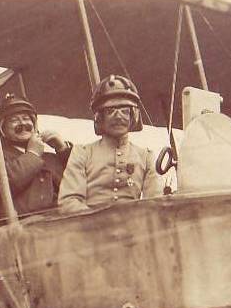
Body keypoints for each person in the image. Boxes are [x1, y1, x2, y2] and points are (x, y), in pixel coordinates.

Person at [58, 75, 163, 213]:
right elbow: (69, 202)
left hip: (134, 229)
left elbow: (154, 203)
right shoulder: (82, 153)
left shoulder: (145, 156)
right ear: (99, 118)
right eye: (110, 111)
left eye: (125, 111)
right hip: (90, 229)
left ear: (133, 117)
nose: (118, 116)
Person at [0, 93, 72, 219]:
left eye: (26, 119)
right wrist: (32, 154)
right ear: (2, 129)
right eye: (14, 120)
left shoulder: (52, 158)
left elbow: (86, 180)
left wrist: (64, 149)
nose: (23, 124)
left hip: (65, 225)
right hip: (22, 232)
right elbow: (3, 185)